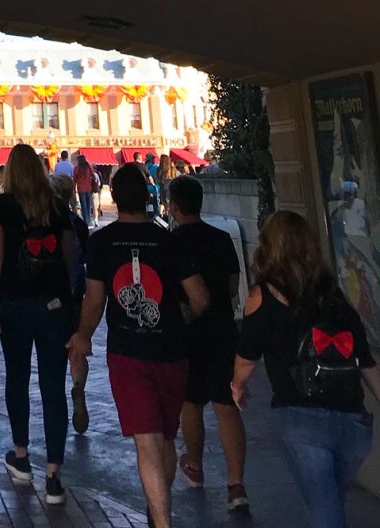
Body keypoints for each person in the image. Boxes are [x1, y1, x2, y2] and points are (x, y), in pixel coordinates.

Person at [68, 163, 209, 528]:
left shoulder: (101, 243)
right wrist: (182, 317)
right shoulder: (170, 239)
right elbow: (201, 298)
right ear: (148, 197)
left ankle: (160, 520)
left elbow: (95, 300)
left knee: (146, 442)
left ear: (114, 196)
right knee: (164, 437)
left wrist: (83, 335)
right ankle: (157, 510)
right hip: (172, 351)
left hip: (127, 353)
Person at [234, 209, 380, 528]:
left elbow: (246, 356)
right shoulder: (333, 295)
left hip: (302, 419)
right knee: (330, 503)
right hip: (353, 424)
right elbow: (366, 361)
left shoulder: (261, 295)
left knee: (325, 513)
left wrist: (238, 386)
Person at [0, 143, 77, 506]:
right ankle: (54, 475)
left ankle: (21, 456)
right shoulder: (56, 205)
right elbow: (71, 255)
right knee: (53, 387)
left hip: (15, 304)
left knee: (17, 378)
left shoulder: (2, 206)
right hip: (53, 306)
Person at [167, 175, 248, 511]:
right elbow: (231, 288)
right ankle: (236, 486)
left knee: (191, 403)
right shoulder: (220, 238)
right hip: (223, 330)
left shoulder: (171, 243)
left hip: (188, 333)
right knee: (227, 407)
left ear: (174, 206)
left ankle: (195, 466)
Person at [51, 173, 91, 437]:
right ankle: (78, 387)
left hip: (52, 295)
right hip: (76, 293)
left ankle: (57, 407)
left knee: (53, 352)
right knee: (77, 346)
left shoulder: (48, 223)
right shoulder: (78, 223)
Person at [73, 154, 96, 229]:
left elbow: (74, 179)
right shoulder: (88, 167)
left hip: (81, 189)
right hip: (88, 188)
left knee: (83, 206)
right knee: (89, 205)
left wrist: (73, 188)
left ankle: (86, 222)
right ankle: (88, 220)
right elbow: (94, 176)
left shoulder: (77, 168)